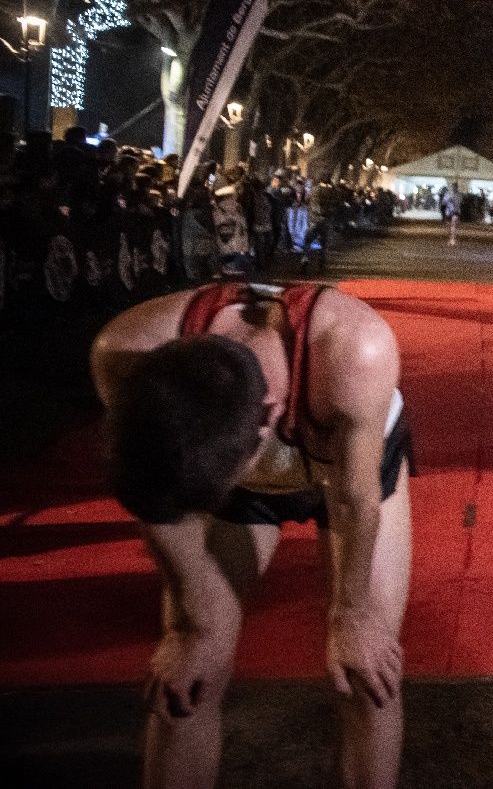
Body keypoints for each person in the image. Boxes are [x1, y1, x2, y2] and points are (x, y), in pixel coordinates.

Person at [90, 281, 411, 789]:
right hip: (222, 456)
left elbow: (356, 501)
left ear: (268, 420)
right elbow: (157, 498)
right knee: (188, 680)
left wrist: (351, 615)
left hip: (352, 472)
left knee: (368, 677)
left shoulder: (356, 351)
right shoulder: (127, 352)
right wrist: (192, 625)